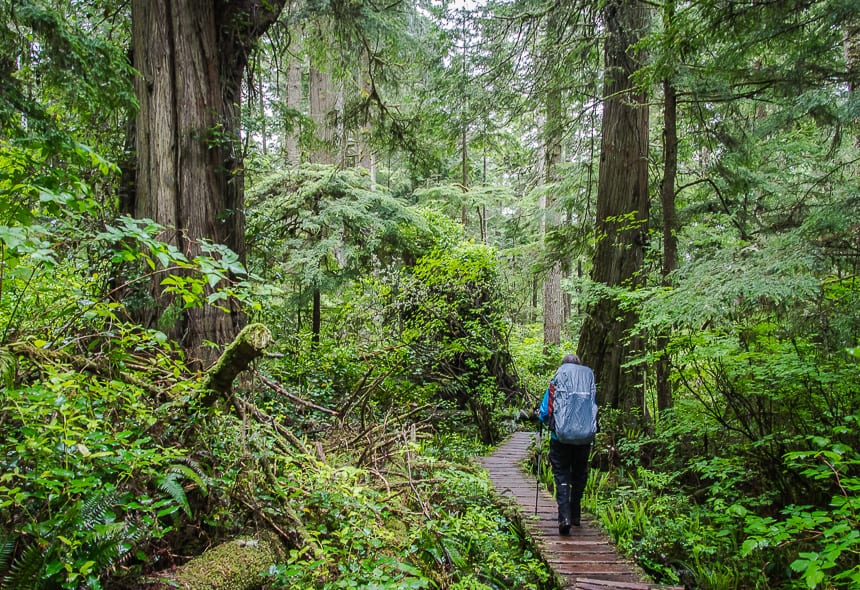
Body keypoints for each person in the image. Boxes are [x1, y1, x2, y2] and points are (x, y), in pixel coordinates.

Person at [537, 353, 597, 535]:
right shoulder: (586, 381)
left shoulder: (558, 379)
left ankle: (564, 517)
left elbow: (545, 410)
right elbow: (593, 407)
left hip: (560, 438)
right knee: (579, 473)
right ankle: (576, 514)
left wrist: (543, 419)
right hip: (584, 439)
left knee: (561, 473)